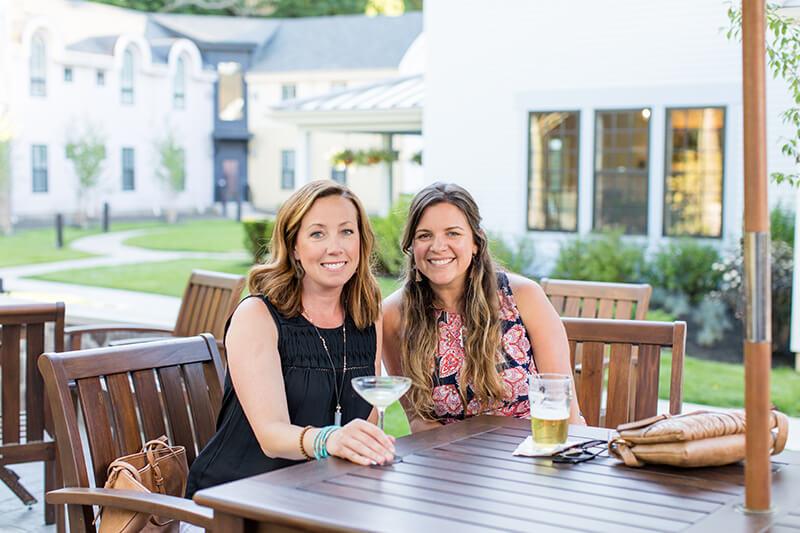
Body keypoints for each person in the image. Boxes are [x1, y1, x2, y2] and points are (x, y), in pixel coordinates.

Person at [186, 180, 395, 498]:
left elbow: (368, 413)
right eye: (317, 233)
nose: (335, 247)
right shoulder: (258, 316)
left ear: (362, 242)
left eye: (346, 232)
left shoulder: (367, 314)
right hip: (234, 500)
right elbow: (271, 436)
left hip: (318, 497)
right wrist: (331, 440)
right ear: (294, 247)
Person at [382, 182, 583, 432]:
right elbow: (419, 418)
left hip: (532, 451)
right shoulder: (393, 314)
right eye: (425, 235)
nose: (438, 246)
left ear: (476, 242)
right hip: (449, 460)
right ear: (412, 245)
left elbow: (563, 405)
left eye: (453, 233)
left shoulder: (523, 296)